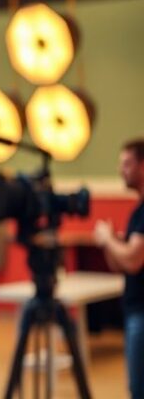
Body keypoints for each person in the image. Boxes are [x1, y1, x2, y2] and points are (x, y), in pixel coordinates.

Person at [94, 138, 144, 399]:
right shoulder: (137, 212)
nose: (121, 170)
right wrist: (111, 243)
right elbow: (122, 264)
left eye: (127, 164)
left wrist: (109, 240)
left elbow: (134, 260)